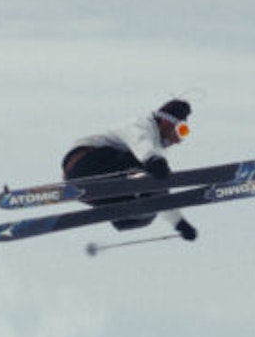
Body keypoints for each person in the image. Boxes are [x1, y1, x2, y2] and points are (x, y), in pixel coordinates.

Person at [60, 99, 198, 240]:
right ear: (167, 122)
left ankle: (123, 215)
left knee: (148, 212)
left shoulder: (154, 149)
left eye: (185, 133)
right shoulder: (141, 126)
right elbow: (141, 144)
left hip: (83, 186)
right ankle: (130, 203)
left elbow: (161, 192)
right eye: (182, 130)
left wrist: (180, 224)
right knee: (146, 171)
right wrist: (153, 161)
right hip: (83, 162)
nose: (180, 140)